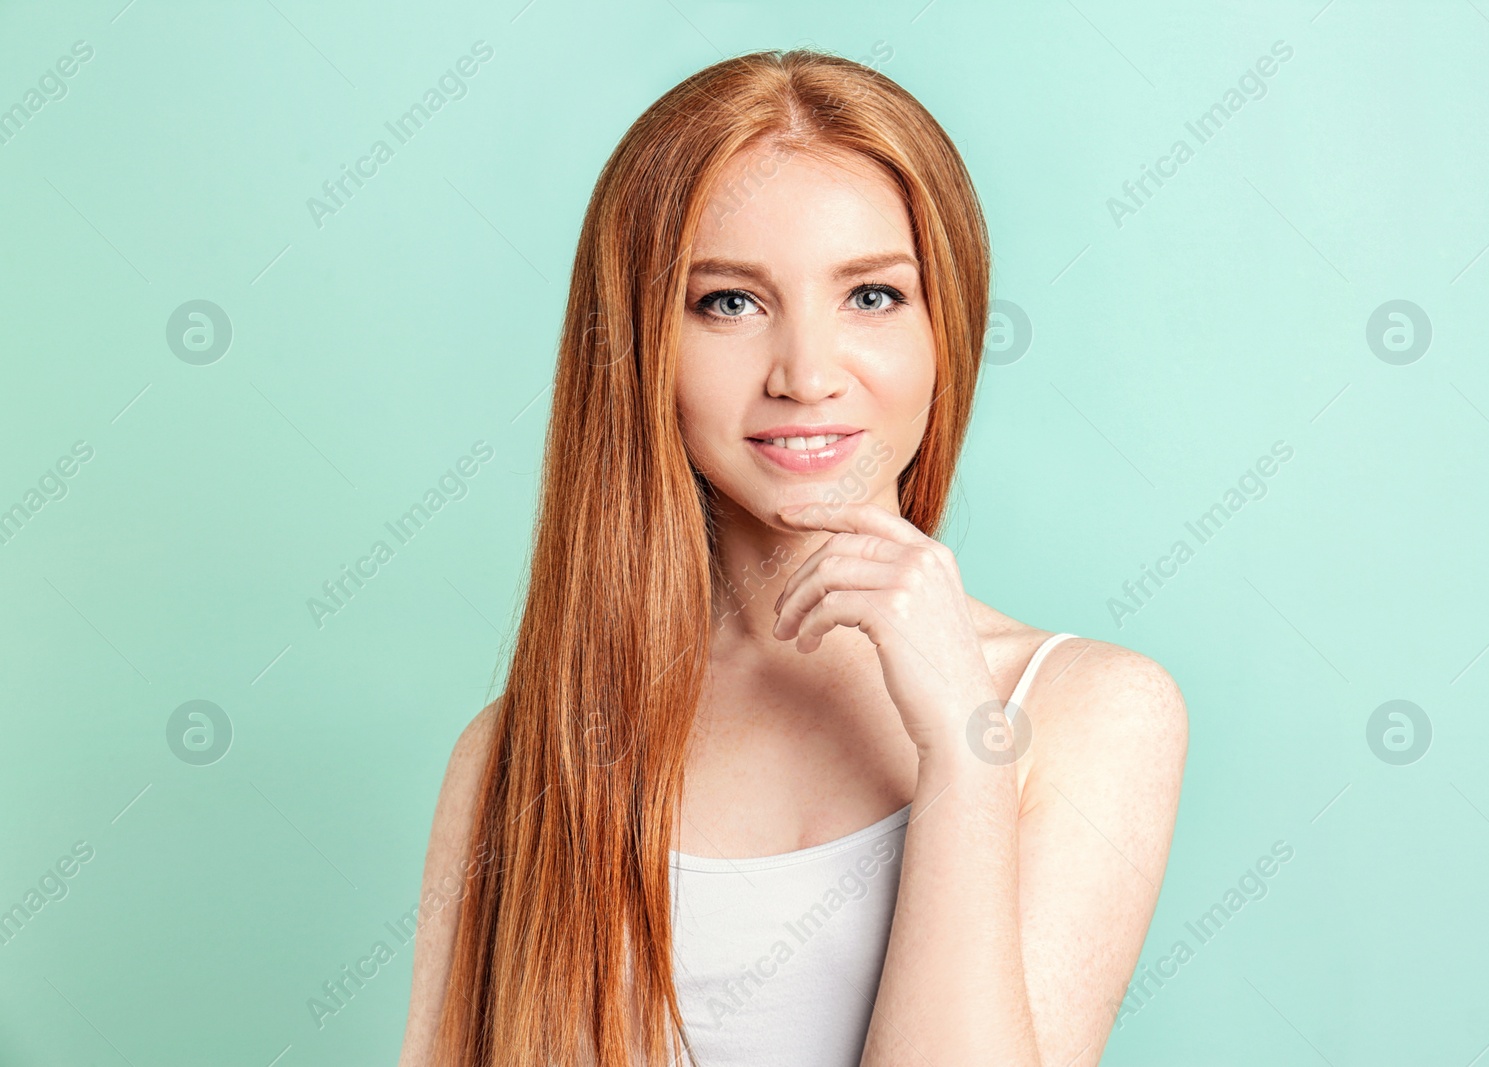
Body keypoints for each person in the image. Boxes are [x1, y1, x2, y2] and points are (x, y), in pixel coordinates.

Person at [398, 47, 1186, 1067]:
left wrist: (963, 752)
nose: (807, 374)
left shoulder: (1090, 708)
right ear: (642, 346)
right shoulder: (516, 750)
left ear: (947, 324)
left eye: (871, 296)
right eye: (728, 300)